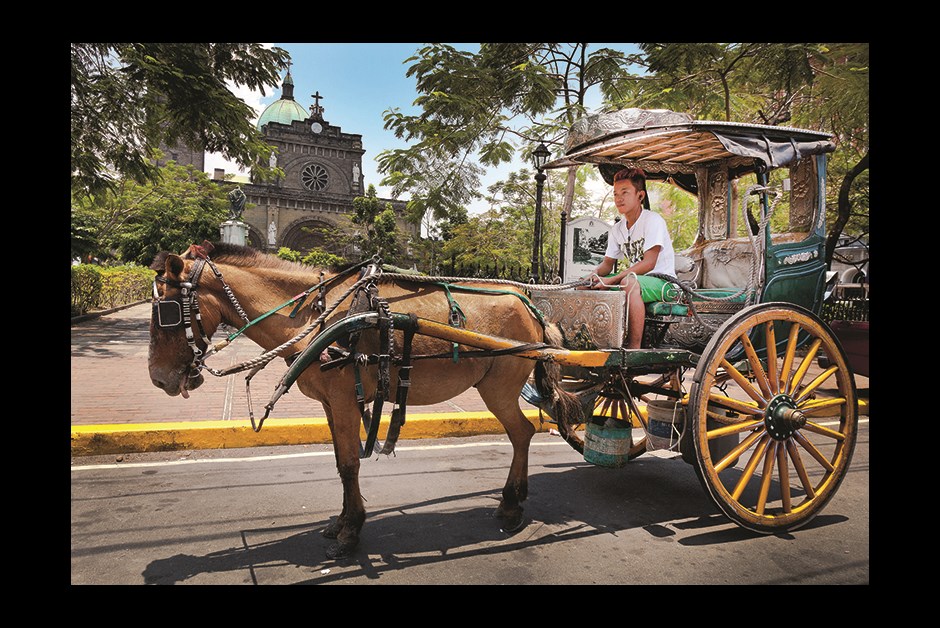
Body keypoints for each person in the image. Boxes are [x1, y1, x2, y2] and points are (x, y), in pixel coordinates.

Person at [582, 167, 676, 349]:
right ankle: (596, 341)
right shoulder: (617, 229)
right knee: (585, 286)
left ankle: (633, 349)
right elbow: (607, 265)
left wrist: (611, 281)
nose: (619, 198)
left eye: (625, 193)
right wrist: (591, 277)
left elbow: (649, 263)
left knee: (628, 282)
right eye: (616, 194)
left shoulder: (653, 221)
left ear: (640, 196)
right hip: (635, 280)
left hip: (663, 282)